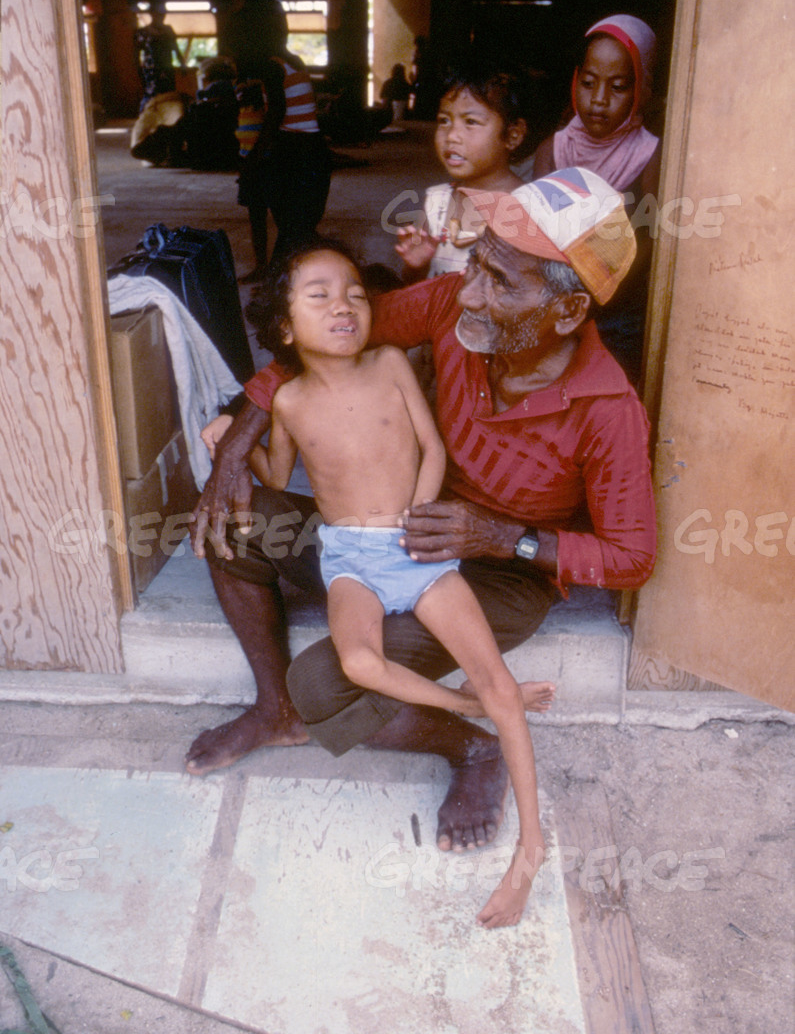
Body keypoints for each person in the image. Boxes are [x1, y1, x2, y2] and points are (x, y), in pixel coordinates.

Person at [188, 167, 657, 874]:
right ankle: (272, 708)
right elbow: (326, 339)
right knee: (237, 513)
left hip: (499, 573)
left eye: (502, 284)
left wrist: (505, 536)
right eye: (476, 266)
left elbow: (631, 556)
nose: (468, 292)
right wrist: (239, 445)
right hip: (382, 532)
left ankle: (469, 745)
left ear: (565, 313)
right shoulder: (450, 307)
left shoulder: (607, 409)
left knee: (330, 685)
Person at [241, 241, 554, 926]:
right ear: (285, 327)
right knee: (357, 661)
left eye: (353, 290)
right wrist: (224, 440)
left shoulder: (388, 363)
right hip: (349, 556)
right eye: (318, 295)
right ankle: (464, 709)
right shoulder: (289, 399)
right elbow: (274, 476)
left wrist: (421, 518)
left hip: (418, 546)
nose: (343, 304)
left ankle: (529, 852)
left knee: (501, 684)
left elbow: (432, 445)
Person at [532, 15, 662, 381]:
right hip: (557, 308)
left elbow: (651, 240)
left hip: (620, 317)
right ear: (575, 80)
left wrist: (600, 279)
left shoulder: (649, 156)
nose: (599, 100)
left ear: (642, 90)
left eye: (618, 87)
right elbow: (536, 234)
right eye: (588, 83)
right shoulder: (553, 151)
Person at [223, 0, 331, 284]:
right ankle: (280, 276)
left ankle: (282, 282)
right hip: (306, 149)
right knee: (295, 225)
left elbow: (277, 113)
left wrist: (254, 158)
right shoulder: (288, 61)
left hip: (296, 151)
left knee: (295, 227)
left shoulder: (272, 66)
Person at [396, 60, 533, 282]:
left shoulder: (529, 206)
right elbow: (414, 288)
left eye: (470, 121)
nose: (451, 136)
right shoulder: (437, 202)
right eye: (444, 120)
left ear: (513, 135)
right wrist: (417, 265)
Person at [134, 0, 185, 108]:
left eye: (163, 13)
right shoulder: (143, 32)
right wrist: (139, 71)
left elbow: (175, 48)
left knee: (168, 98)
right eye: (160, 12)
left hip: (167, 71)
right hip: (151, 73)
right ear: (152, 13)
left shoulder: (168, 30)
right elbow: (136, 54)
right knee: (152, 101)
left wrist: (182, 64)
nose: (163, 15)